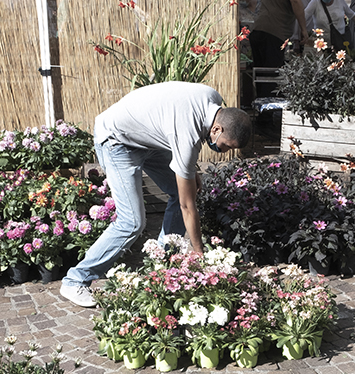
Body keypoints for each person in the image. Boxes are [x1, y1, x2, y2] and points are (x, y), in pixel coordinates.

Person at [59, 83, 253, 308]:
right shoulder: (188, 133)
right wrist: (199, 252)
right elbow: (187, 206)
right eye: (225, 146)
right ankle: (75, 280)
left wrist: (189, 171)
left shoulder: (212, 97)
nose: (223, 151)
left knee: (185, 188)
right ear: (216, 129)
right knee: (131, 222)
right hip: (116, 140)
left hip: (146, 138)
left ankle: (160, 265)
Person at [248, 0, 308, 70]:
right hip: (273, 35)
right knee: (272, 75)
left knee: (261, 74)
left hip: (258, 32)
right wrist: (303, 29)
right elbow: (295, 0)